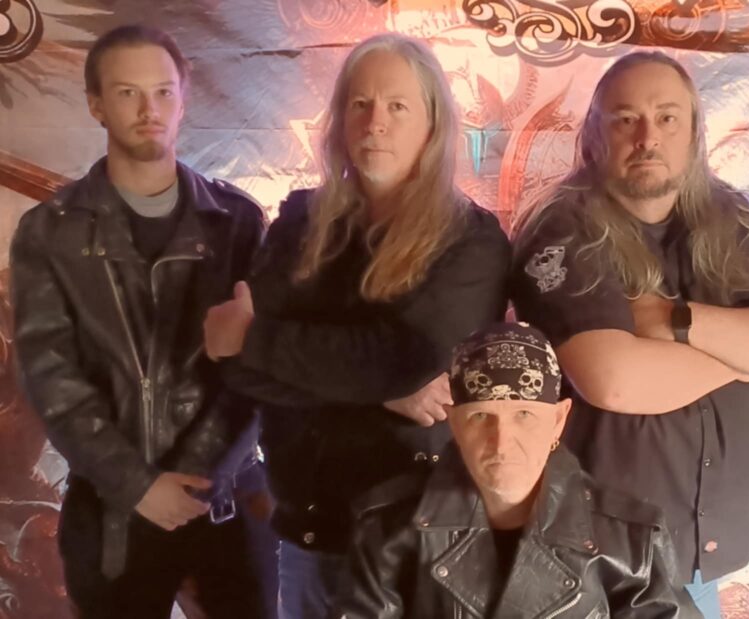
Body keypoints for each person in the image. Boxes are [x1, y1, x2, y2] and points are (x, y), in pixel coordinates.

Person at [202, 33, 511, 619]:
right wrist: (381, 392)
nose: (375, 123)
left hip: (418, 542)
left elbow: (407, 358)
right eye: (360, 104)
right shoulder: (300, 222)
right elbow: (240, 371)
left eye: (398, 106)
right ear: (340, 119)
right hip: (309, 531)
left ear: (433, 124)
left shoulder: (471, 241)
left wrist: (256, 339)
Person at [510, 51, 749, 618]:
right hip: (597, 566)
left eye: (667, 117)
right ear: (594, 135)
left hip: (696, 560)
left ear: (695, 132)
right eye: (625, 118)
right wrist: (748, 355)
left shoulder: (735, 218)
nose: (647, 136)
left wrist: (678, 322)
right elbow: (615, 380)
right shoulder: (561, 228)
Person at [11, 24, 270, 618]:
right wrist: (139, 486)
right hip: (112, 509)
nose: (149, 109)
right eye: (127, 93)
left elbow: (258, 368)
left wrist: (199, 476)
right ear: (96, 104)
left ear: (183, 98)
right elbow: (50, 377)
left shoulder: (237, 221)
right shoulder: (50, 232)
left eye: (162, 92)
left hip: (226, 500)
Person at [343, 322, 699, 617]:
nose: (501, 442)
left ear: (558, 420)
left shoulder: (631, 542)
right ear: (454, 423)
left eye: (524, 415)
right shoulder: (388, 529)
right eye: (480, 416)